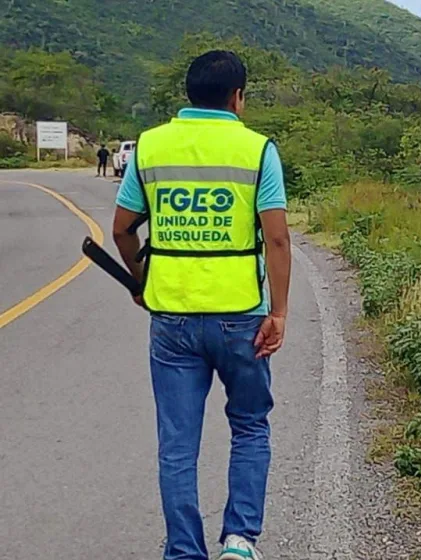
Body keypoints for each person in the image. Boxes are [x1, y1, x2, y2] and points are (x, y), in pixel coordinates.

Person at [112, 50, 292, 560]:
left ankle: (185, 551)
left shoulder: (151, 146)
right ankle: (239, 541)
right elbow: (278, 240)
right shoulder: (257, 150)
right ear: (238, 97)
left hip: (171, 318)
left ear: (189, 93)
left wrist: (141, 282)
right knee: (250, 425)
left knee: (177, 444)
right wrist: (279, 312)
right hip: (241, 317)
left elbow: (122, 229)